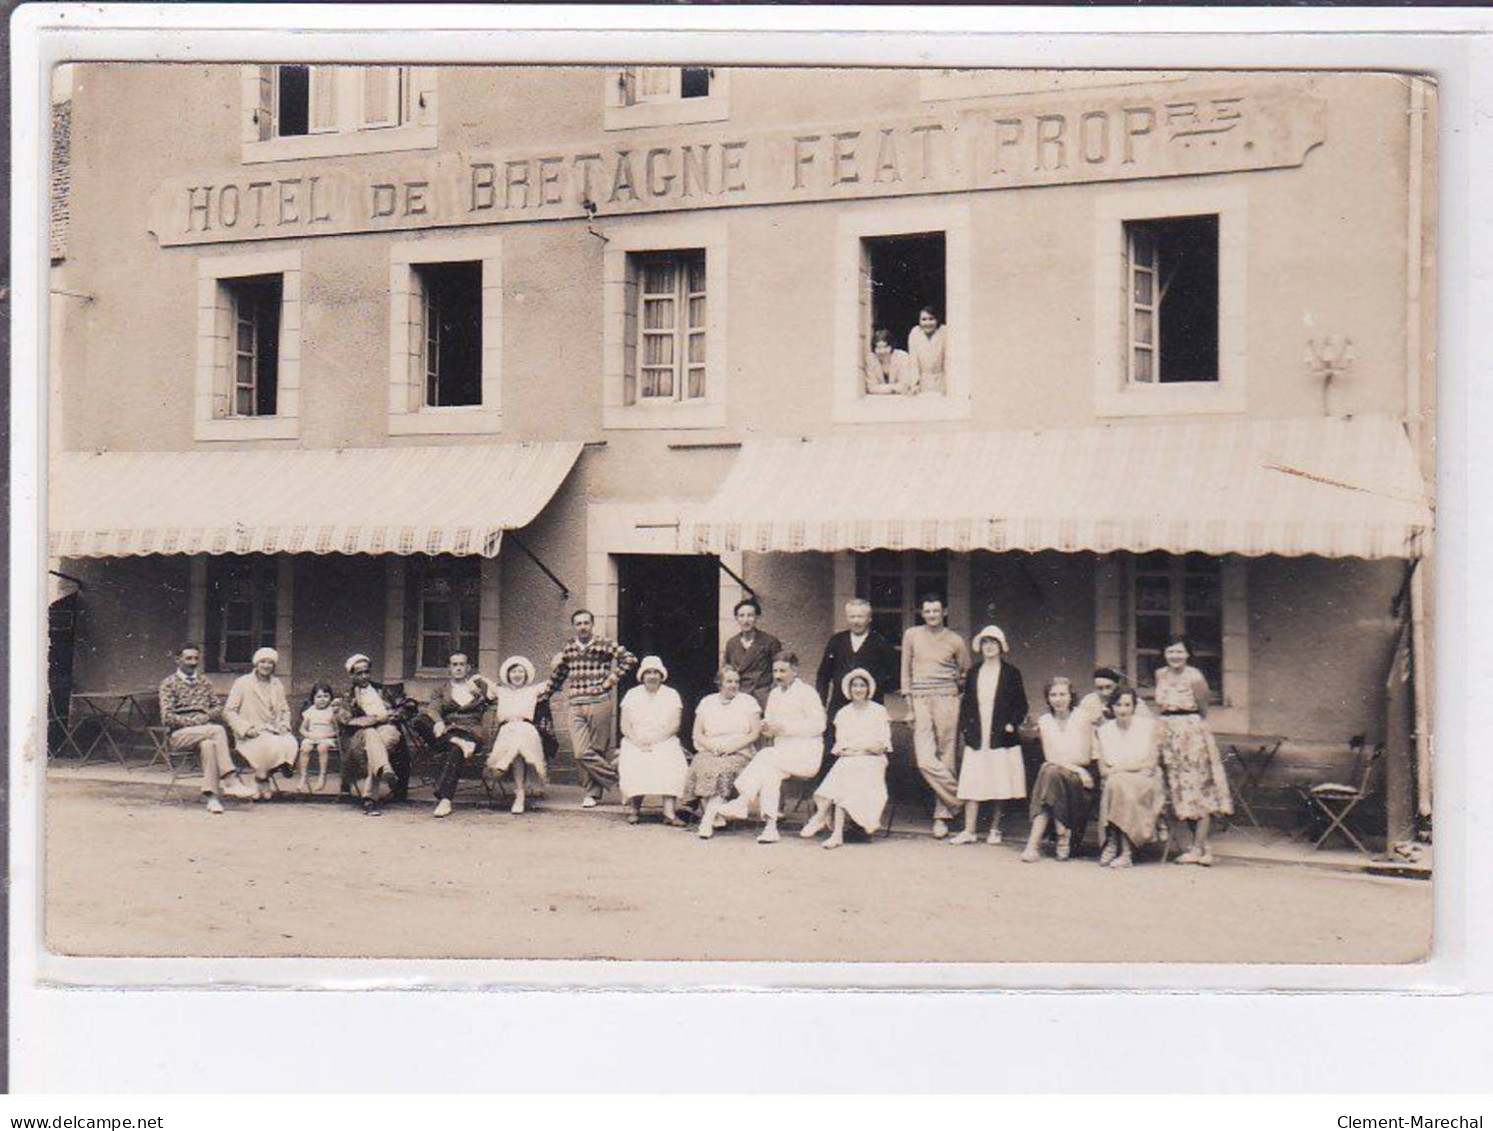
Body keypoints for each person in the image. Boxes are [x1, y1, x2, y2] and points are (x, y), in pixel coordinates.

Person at [701, 653, 826, 844]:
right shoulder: (775, 694)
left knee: (766, 755)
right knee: (770, 774)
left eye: (782, 671)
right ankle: (770, 828)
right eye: (775, 671)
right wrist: (766, 728)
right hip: (781, 756)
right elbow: (770, 721)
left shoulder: (807, 693)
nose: (777, 675)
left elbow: (819, 725)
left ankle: (743, 801)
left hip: (806, 755)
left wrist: (784, 728)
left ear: (795, 671)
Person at [546, 609, 637, 808]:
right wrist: (545, 693)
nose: (583, 627)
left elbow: (629, 659)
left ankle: (592, 794)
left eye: (586, 623)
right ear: (574, 627)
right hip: (576, 703)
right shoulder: (569, 648)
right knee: (581, 752)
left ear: (592, 624)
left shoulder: (604, 643)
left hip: (599, 702)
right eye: (578, 623)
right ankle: (621, 780)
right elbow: (560, 674)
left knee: (597, 749)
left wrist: (608, 683)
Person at [1154, 638, 1233, 866]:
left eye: (1180, 651)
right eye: (1170, 651)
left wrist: (1189, 732)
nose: (1175, 655)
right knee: (1179, 789)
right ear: (1165, 653)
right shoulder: (1161, 674)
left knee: (1197, 787)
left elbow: (1203, 708)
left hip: (1191, 734)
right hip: (1167, 733)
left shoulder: (1195, 676)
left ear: (1188, 654)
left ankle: (1198, 847)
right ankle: (1202, 847)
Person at [951, 625, 1029, 845]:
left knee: (1000, 780)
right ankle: (969, 830)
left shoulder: (1011, 673)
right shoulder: (974, 672)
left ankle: (996, 829)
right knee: (973, 780)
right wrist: (967, 729)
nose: (989, 647)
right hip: (978, 732)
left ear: (1001, 646)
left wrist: (1011, 723)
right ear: (980, 646)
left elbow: (1021, 704)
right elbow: (967, 705)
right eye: (985, 643)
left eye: (993, 642)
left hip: (1001, 734)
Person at [157, 643, 258, 813]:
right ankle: (230, 778)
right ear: (177, 660)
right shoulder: (168, 684)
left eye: (196, 658)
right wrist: (195, 722)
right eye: (188, 658)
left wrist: (206, 717)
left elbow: (218, 707)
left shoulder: (204, 681)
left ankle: (212, 798)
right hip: (179, 735)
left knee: (209, 745)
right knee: (217, 730)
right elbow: (167, 717)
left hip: (205, 733)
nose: (193, 662)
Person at [901, 595, 969, 838]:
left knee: (947, 755)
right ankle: (960, 798)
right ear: (922, 613)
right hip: (920, 699)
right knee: (925, 760)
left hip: (947, 699)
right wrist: (909, 706)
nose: (931, 615)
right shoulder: (912, 635)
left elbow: (963, 673)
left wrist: (954, 697)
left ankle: (942, 817)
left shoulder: (955, 640)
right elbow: (906, 672)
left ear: (945, 612)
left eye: (936, 611)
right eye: (927, 611)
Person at [801, 669, 892, 849]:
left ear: (868, 688)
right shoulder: (843, 713)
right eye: (855, 686)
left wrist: (860, 748)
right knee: (846, 770)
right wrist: (861, 747)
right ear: (849, 690)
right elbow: (842, 746)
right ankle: (836, 834)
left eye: (862, 685)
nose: (858, 689)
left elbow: (880, 746)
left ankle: (822, 816)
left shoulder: (878, 711)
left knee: (845, 771)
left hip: (872, 761)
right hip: (851, 760)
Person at [1021, 676, 1096, 862]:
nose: (1058, 699)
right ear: (1048, 698)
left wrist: (1075, 769)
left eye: (1063, 694)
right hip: (1069, 773)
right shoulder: (1045, 720)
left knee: (1049, 772)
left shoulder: (1082, 717)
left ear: (1071, 696)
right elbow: (1050, 757)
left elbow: (1084, 758)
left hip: (1081, 779)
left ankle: (1034, 845)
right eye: (1053, 695)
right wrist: (1072, 766)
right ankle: (1061, 832)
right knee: (1050, 771)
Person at [336, 653, 415, 816]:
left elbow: (409, 705)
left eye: (367, 672)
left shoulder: (383, 690)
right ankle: (383, 771)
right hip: (359, 739)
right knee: (371, 733)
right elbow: (346, 721)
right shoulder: (348, 697)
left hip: (387, 732)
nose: (364, 676)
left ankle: (370, 799)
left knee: (380, 741)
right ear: (351, 675)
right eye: (359, 673)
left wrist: (396, 713)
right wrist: (375, 719)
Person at [424, 652, 500, 820]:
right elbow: (433, 709)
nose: (458, 668)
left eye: (462, 664)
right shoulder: (441, 690)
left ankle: (445, 799)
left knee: (454, 749)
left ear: (468, 668)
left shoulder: (477, 687)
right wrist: (438, 722)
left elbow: (499, 694)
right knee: (420, 720)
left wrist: (483, 683)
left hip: (471, 732)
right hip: (448, 730)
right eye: (454, 664)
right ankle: (458, 742)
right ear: (449, 668)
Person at [1095, 687, 1165, 869]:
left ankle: (1115, 844)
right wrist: (1124, 770)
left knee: (1118, 784)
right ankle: (1121, 848)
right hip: (1118, 782)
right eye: (1118, 705)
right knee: (1118, 785)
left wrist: (1120, 768)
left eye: (1127, 704)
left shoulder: (1147, 726)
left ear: (1134, 706)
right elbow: (1102, 769)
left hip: (1145, 781)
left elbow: (1150, 763)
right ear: (1111, 707)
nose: (1123, 709)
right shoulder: (1104, 730)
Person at [682, 665, 762, 817]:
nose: (734, 685)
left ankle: (711, 815)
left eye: (736, 682)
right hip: (711, 749)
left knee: (720, 768)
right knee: (700, 764)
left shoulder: (748, 702)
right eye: (729, 681)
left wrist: (732, 748)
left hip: (739, 751)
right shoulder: (707, 702)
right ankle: (713, 815)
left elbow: (755, 733)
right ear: (719, 683)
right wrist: (712, 747)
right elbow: (697, 733)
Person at [617, 656, 688, 826]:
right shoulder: (632, 694)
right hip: (636, 739)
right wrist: (637, 741)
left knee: (671, 759)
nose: (652, 676)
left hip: (664, 739)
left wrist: (656, 740)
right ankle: (634, 809)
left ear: (662, 675)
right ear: (642, 676)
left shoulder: (671, 694)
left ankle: (669, 813)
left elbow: (675, 725)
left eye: (656, 672)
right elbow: (624, 725)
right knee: (636, 760)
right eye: (648, 672)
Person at [222, 647, 299, 799]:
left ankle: (262, 776)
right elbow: (229, 711)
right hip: (251, 732)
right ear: (256, 664)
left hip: (273, 729)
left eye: (270, 663)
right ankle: (262, 779)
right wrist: (245, 729)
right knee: (267, 745)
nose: (266, 666)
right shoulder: (242, 683)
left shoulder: (277, 684)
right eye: (263, 662)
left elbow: (285, 710)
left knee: (290, 742)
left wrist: (284, 725)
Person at [816, 597, 899, 727]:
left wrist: (876, 686)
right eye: (852, 617)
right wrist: (821, 703)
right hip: (839, 704)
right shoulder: (837, 641)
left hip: (870, 705)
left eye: (860, 617)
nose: (856, 621)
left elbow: (895, 674)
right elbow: (823, 675)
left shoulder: (880, 642)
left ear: (869, 618)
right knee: (834, 743)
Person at [487, 656, 549, 815]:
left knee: (521, 733)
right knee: (517, 748)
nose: (517, 675)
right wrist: (476, 678)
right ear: (508, 675)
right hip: (507, 731)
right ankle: (519, 793)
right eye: (513, 671)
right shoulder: (501, 690)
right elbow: (482, 685)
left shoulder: (533, 690)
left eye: (520, 671)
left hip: (527, 730)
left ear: (526, 675)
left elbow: (553, 683)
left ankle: (517, 788)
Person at [722, 597, 782, 710]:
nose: (746, 620)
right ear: (736, 618)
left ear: (757, 617)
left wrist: (773, 694)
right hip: (738, 696)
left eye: (750, 615)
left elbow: (780, 671)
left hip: (762, 696)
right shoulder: (732, 643)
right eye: (741, 616)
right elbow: (727, 670)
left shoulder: (770, 642)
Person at [295, 682, 339, 793]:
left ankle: (322, 775)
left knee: (322, 748)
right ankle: (303, 775)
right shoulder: (310, 711)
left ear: (330, 698)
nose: (322, 699)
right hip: (312, 736)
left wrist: (328, 735)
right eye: (319, 697)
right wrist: (308, 735)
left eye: (326, 696)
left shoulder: (332, 711)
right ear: (313, 698)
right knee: (305, 748)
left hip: (327, 738)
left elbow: (337, 730)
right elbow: (302, 729)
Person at [1079, 666, 1152, 727]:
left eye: (1108, 687)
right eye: (1099, 688)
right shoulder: (1089, 701)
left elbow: (1148, 724)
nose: (1105, 693)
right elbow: (1080, 724)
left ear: (1117, 684)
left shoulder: (1131, 700)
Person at [906, 306, 947, 395]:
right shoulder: (915, 333)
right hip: (922, 382)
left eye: (931, 319)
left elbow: (949, 360)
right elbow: (913, 360)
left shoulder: (944, 331)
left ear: (937, 320)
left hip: (942, 381)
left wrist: (948, 384)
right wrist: (914, 384)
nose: (927, 323)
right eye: (924, 319)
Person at [863, 328, 914, 396]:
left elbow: (905, 385)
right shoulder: (871, 359)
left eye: (885, 347)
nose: (882, 351)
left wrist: (881, 388)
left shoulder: (902, 357)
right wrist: (893, 388)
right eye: (878, 348)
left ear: (891, 346)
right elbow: (871, 387)